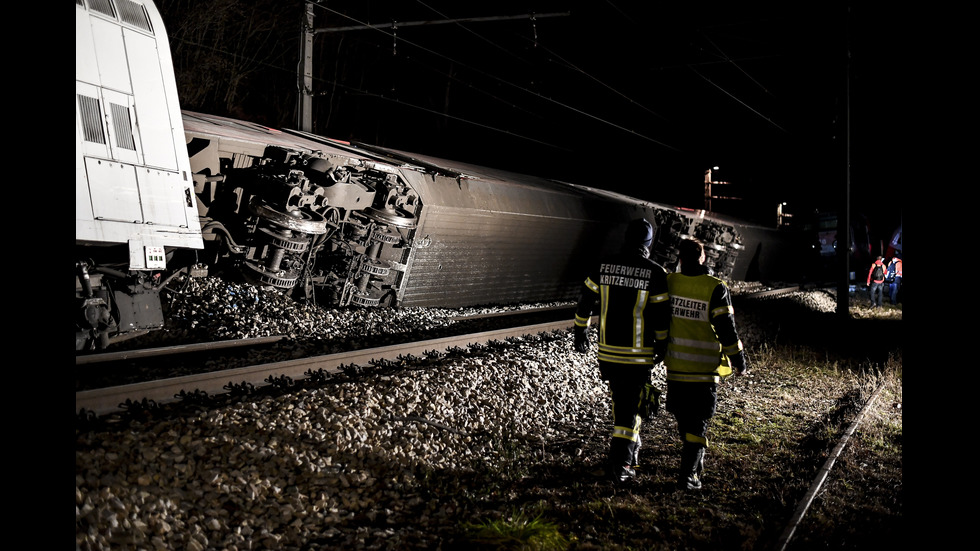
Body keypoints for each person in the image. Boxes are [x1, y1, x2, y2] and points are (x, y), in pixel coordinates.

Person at [573, 218, 670, 483]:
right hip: (638, 355)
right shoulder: (656, 272)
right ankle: (622, 464)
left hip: (608, 352)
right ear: (649, 244)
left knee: (623, 402)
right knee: (629, 408)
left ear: (626, 238)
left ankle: (629, 455)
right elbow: (661, 316)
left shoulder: (603, 266)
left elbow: (584, 301)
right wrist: (661, 344)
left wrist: (580, 330)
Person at [664, 238, 748, 491]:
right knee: (697, 424)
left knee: (685, 421)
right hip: (704, 372)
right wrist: (739, 361)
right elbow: (726, 329)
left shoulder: (669, 283)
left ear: (680, 259)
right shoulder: (715, 287)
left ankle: (691, 468)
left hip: (676, 369)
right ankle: (689, 475)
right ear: (702, 259)